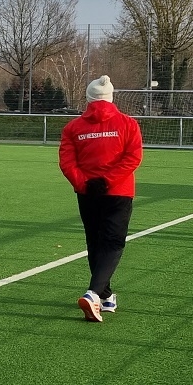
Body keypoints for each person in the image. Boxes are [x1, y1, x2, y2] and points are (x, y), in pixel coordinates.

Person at [59, 75, 143, 323]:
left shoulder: (73, 127)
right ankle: (94, 293)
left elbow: (67, 161)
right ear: (111, 97)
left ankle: (106, 296)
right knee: (113, 243)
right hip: (119, 192)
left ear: (88, 98)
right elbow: (133, 158)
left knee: (95, 242)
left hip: (87, 194)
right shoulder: (128, 123)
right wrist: (107, 181)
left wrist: (84, 184)